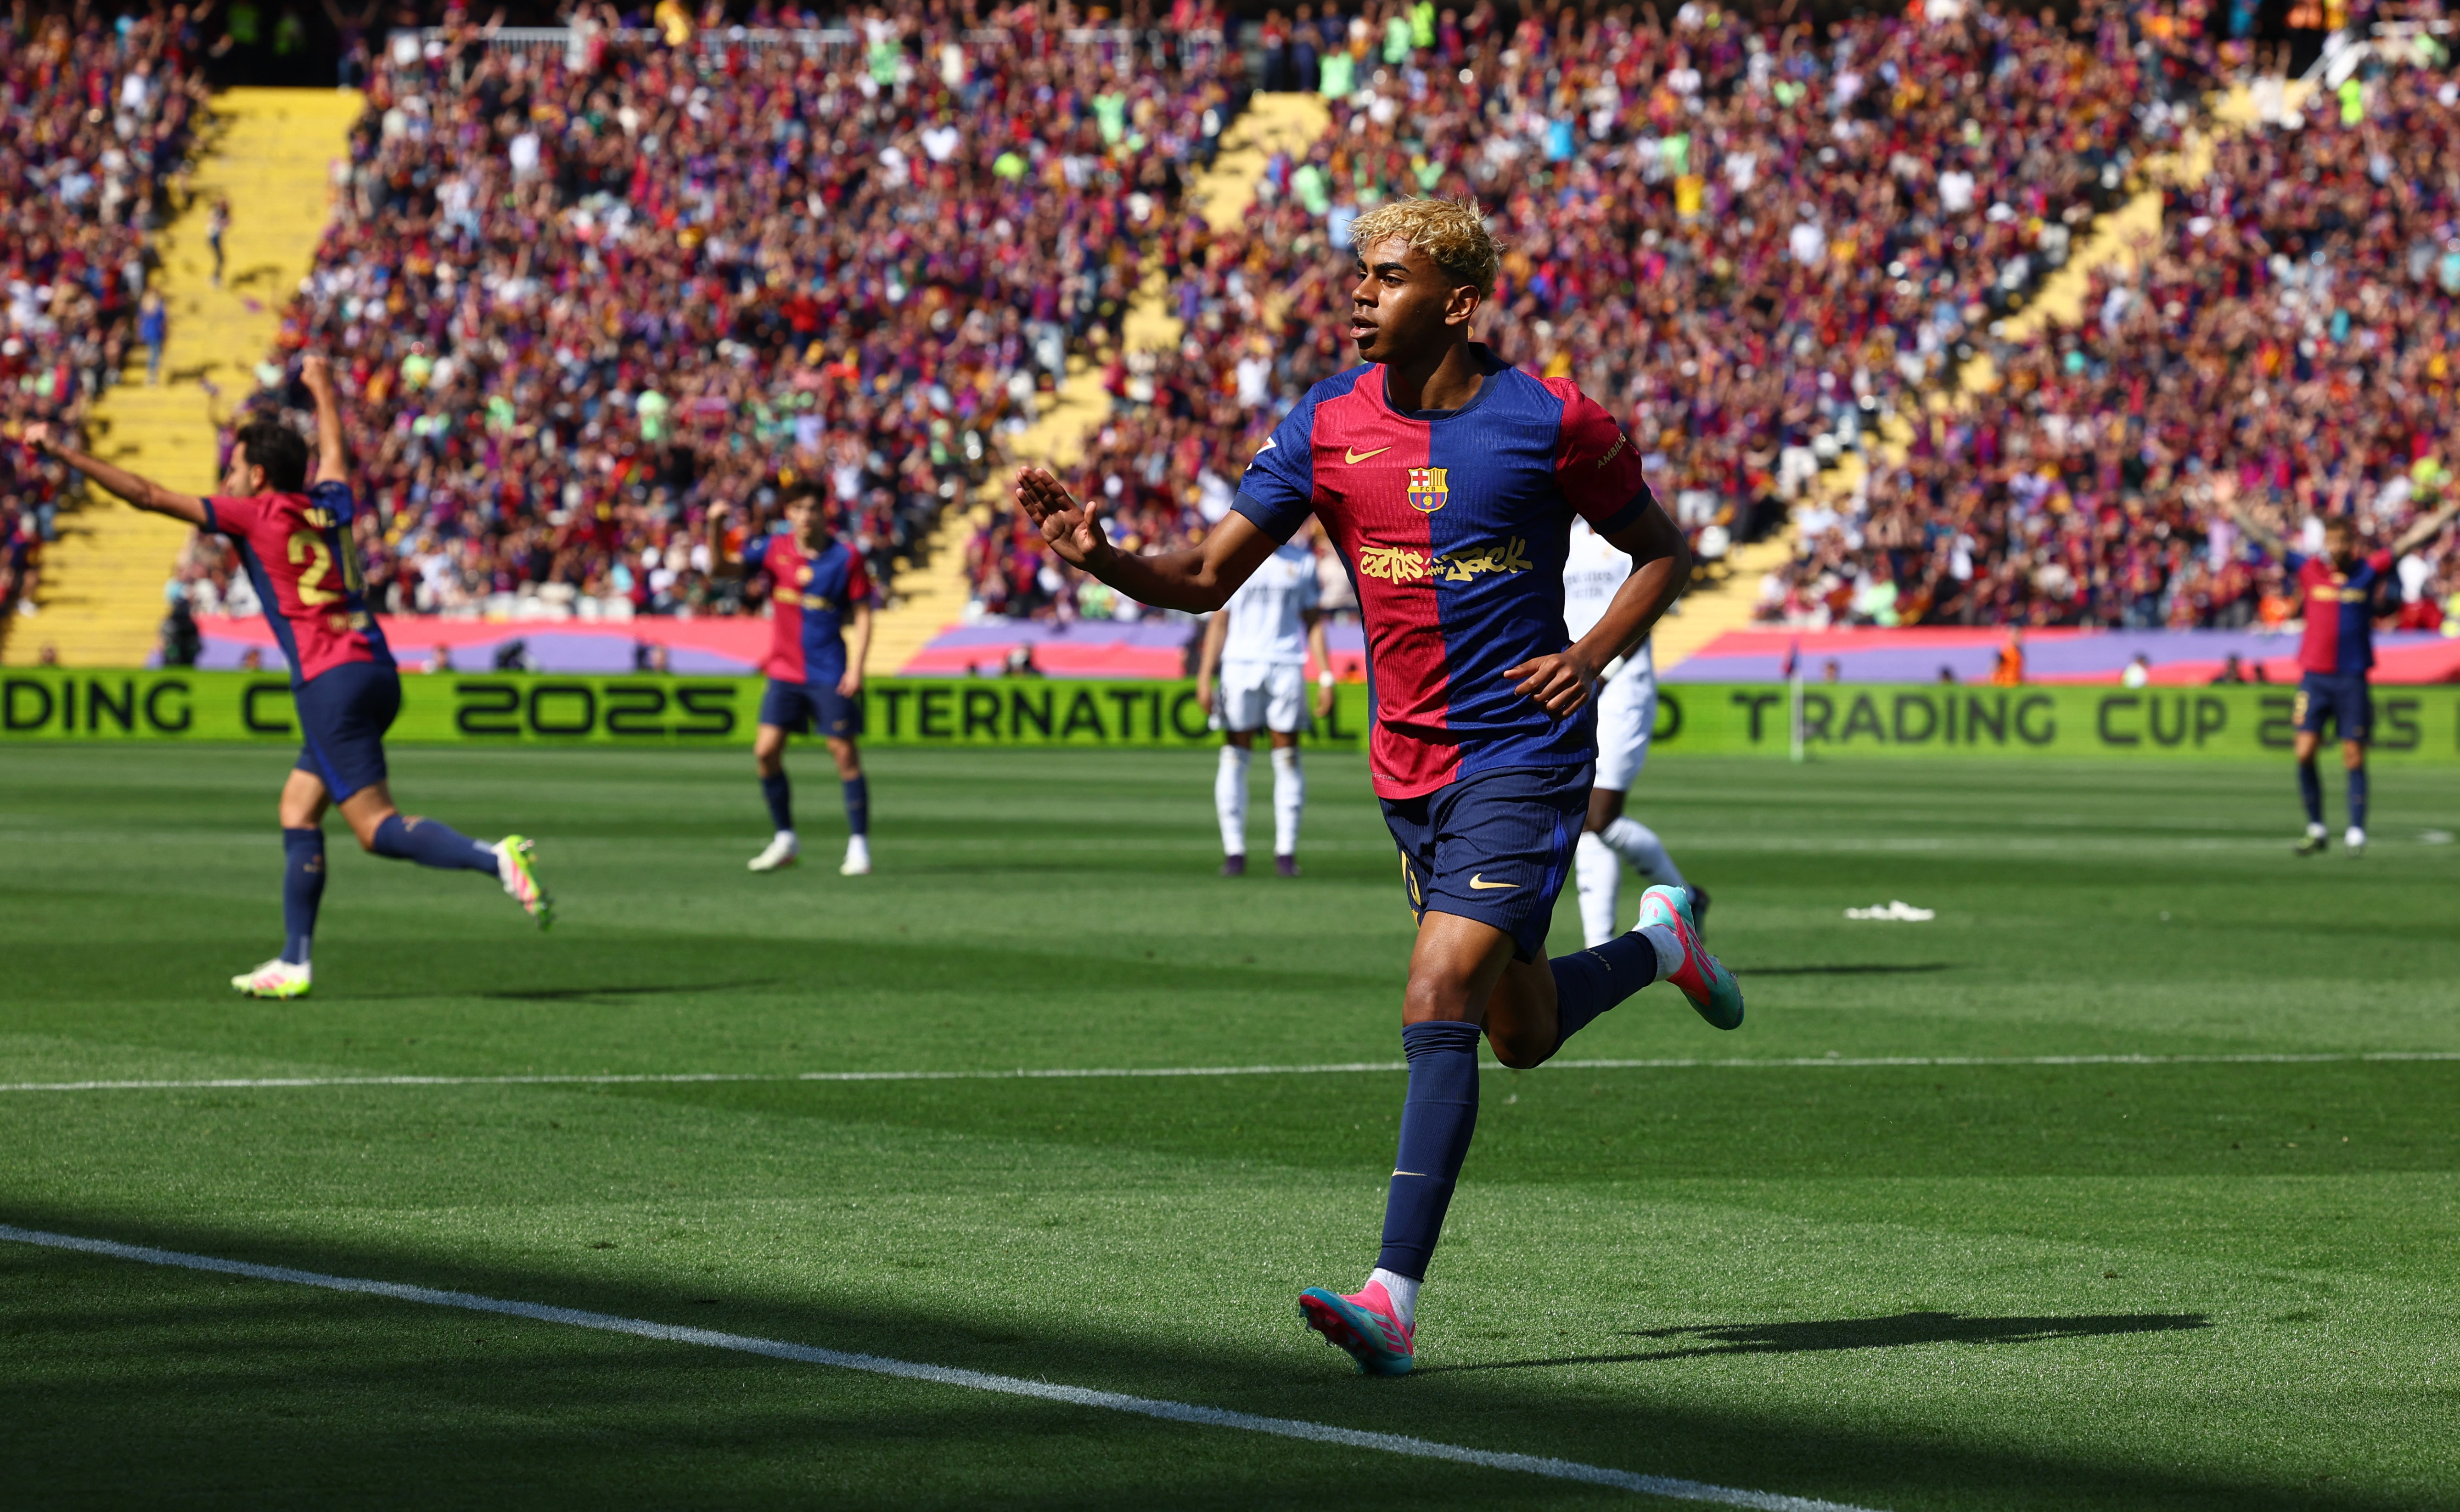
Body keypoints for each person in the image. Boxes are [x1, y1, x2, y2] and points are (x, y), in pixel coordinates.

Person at [1011, 196, 1743, 1377]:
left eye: (1387, 276)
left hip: (1520, 751)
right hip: (1409, 772)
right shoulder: (1326, 427)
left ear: (1456, 302)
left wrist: (1590, 655)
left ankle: (1391, 1299)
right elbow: (1204, 574)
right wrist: (1102, 558)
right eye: (1358, 273)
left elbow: (1662, 548)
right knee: (1520, 1029)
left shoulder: (1552, 422)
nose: (1358, 293)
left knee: (1435, 986)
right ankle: (1664, 946)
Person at [20, 354, 551, 999]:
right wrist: (324, 386)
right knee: (298, 805)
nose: (227, 476)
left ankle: (493, 858)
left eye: (234, 465)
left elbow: (147, 495)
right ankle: (294, 960)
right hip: (376, 671)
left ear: (258, 474)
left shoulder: (255, 514)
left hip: (328, 680)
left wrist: (62, 452)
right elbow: (335, 452)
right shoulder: (330, 505)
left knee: (374, 828)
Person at [2227, 491, 2459, 856]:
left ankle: (2355, 830)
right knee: (2303, 751)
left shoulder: (2367, 571)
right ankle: (2316, 827)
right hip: (2315, 677)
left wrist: (2450, 509)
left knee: (2353, 755)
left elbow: (2412, 538)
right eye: (2329, 541)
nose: (2333, 547)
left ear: (2351, 544)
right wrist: (2233, 508)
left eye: (2340, 541)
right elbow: (2265, 540)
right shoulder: (2309, 570)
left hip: (2351, 678)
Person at [713, 482, 874, 877]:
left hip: (828, 670)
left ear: (824, 512)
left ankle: (859, 845)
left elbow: (865, 612)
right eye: (798, 509)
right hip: (784, 670)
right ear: (789, 514)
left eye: (812, 508)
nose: (805, 516)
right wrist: (714, 529)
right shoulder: (773, 549)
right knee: (765, 753)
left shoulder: (845, 556)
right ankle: (786, 838)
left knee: (843, 753)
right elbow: (721, 568)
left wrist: (857, 667)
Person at [1563, 512, 1700, 948]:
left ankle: (1684, 906)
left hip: (1621, 683)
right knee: (1587, 816)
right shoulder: (1562, 533)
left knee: (1598, 815)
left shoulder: (1630, 524)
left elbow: (1649, 603)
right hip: (1576, 681)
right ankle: (1600, 945)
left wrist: (1603, 669)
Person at [1193, 528, 1336, 877]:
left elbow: (1313, 621)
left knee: (1287, 757)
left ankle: (1286, 852)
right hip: (1240, 665)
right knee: (1235, 756)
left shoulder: (1301, 562)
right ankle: (1235, 851)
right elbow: (1220, 621)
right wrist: (1204, 675)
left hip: (1286, 664)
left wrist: (1327, 675)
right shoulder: (1236, 561)